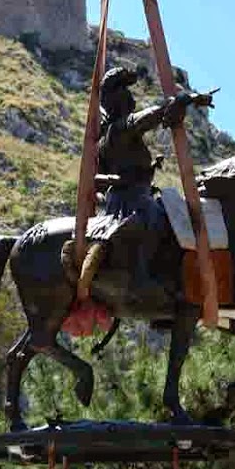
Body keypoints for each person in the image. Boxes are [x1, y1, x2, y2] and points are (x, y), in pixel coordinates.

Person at [71, 65, 213, 298]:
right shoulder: (120, 129)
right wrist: (189, 98)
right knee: (168, 222)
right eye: (126, 91)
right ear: (118, 97)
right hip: (131, 203)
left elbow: (109, 176)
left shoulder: (109, 137)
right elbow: (156, 113)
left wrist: (146, 171)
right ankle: (155, 279)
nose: (132, 96)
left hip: (128, 199)